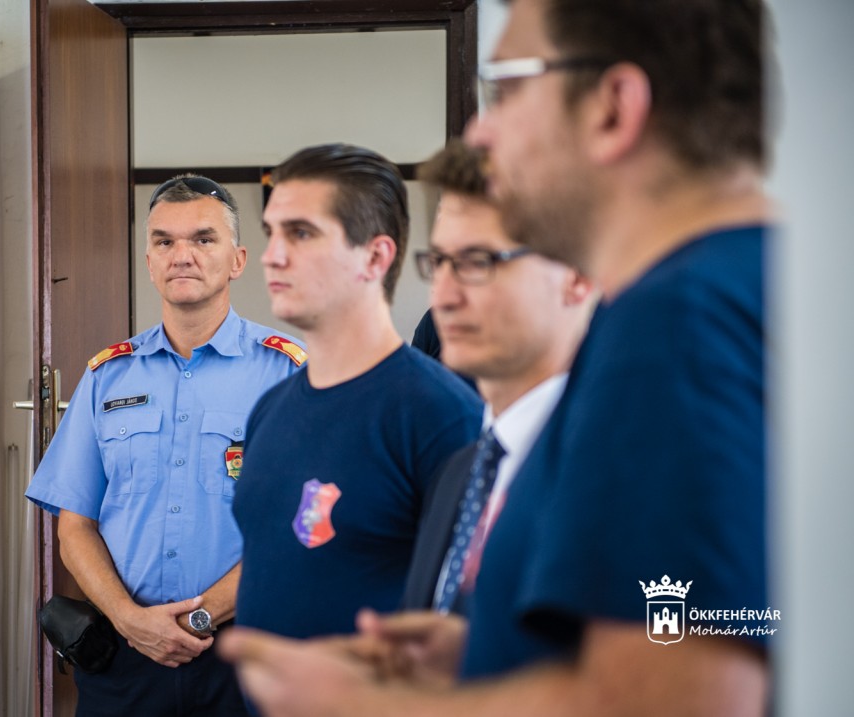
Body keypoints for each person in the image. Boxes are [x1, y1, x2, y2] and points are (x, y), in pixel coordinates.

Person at [220, 0, 774, 714]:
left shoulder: (676, 323)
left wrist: (363, 704)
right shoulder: (736, 287)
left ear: (614, 107)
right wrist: (482, 652)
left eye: (508, 88)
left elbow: (680, 698)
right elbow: (714, 627)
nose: (483, 130)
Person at [25, 175, 305, 716]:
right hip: (126, 652)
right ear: (150, 262)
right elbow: (74, 527)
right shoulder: (107, 377)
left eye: (203, 239)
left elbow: (304, 525)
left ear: (238, 260)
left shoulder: (288, 373)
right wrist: (130, 620)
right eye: (164, 241)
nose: (183, 255)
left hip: (249, 652)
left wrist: (199, 619)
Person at [231, 143, 483, 642]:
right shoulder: (271, 408)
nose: (272, 256)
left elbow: (472, 623)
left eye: (301, 233)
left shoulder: (442, 417)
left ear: (374, 256)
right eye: (272, 232)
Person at [400, 139, 593, 617]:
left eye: (477, 262)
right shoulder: (462, 470)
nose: (443, 297)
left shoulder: (633, 465)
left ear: (575, 277)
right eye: (439, 263)